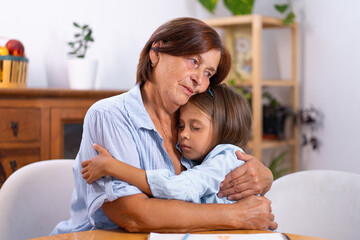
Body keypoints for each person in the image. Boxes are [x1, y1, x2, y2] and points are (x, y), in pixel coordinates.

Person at [51, 17, 276, 235]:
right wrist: (234, 216)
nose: (200, 79)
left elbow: (220, 171)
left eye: (208, 73)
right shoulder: (110, 116)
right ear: (156, 53)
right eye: (193, 62)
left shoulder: (194, 122)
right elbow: (134, 216)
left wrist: (261, 175)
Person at [81, 84, 253, 204]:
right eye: (181, 126)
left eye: (196, 127)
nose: (184, 135)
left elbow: (177, 188)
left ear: (226, 129)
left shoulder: (226, 158)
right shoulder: (208, 159)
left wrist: (113, 166)